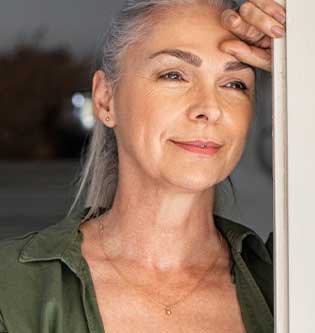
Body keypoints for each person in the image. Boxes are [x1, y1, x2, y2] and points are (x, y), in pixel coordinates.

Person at [0, 0, 285, 332]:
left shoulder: (289, 283)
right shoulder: (12, 291)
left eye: (234, 84)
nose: (210, 108)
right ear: (105, 100)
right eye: (174, 75)